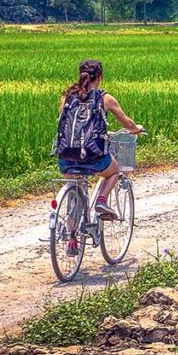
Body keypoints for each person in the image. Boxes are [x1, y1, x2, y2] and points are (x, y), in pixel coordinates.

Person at [54, 59, 144, 256]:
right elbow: (127, 123)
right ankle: (102, 200)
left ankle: (71, 240)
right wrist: (136, 129)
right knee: (115, 171)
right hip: (93, 157)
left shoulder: (66, 97)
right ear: (100, 77)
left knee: (74, 197)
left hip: (66, 157)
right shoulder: (105, 99)